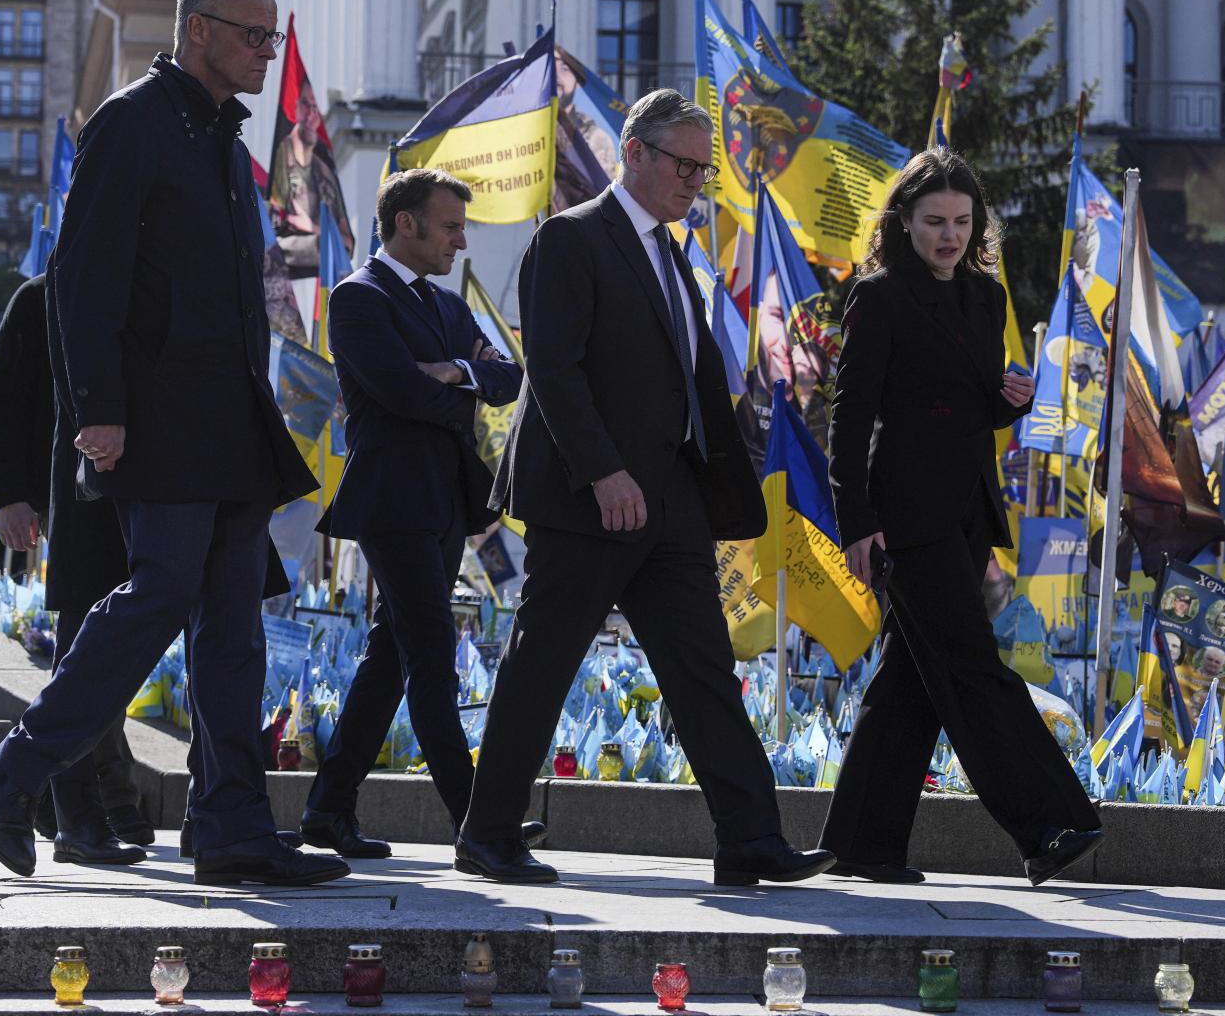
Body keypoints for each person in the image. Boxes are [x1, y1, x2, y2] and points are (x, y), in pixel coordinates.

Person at [0, 0, 349, 890]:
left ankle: (231, 827)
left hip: (228, 422)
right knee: (156, 596)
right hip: (160, 423)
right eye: (253, 35)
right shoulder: (131, 122)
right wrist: (97, 413)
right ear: (198, 31)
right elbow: (81, 283)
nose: (267, 50)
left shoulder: (224, 145)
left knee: (233, 626)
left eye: (272, 36)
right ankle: (14, 770)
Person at [455, 89, 834, 888]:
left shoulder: (673, 252)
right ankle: (487, 834)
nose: (696, 179)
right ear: (633, 152)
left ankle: (751, 839)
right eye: (683, 163)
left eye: (704, 167)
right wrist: (604, 471)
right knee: (543, 663)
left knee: (702, 670)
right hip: (591, 498)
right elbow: (553, 370)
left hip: (672, 502)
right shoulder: (571, 238)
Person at [821, 148, 1103, 888]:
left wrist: (1009, 402)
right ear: (904, 223)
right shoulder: (878, 297)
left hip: (970, 507)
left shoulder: (987, 297)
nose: (948, 235)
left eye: (961, 222)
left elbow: (974, 411)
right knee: (975, 666)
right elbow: (849, 420)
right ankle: (1048, 823)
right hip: (902, 517)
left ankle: (862, 843)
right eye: (933, 221)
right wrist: (855, 521)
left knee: (911, 682)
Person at [301, 168, 536, 857]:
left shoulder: (449, 307)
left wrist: (456, 374)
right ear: (407, 224)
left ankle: (327, 810)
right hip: (391, 498)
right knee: (433, 653)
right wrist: (454, 381)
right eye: (452, 226)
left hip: (444, 500)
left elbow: (507, 378)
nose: (461, 241)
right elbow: (402, 395)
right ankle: (479, 826)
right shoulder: (358, 298)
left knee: (391, 656)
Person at [0, 274, 146, 865]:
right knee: (83, 650)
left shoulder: (145, 286)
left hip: (152, 491)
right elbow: (6, 397)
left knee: (111, 655)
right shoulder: (42, 295)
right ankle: (78, 814)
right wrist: (12, 494)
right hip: (74, 496)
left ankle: (77, 802)